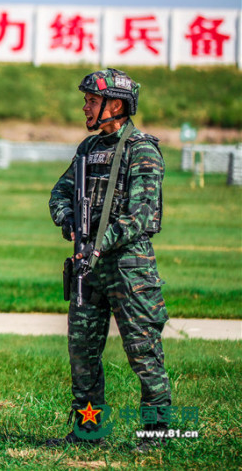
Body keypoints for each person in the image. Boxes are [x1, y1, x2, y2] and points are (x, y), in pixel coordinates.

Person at [46, 68, 171, 451]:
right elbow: (59, 193)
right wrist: (69, 222)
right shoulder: (87, 149)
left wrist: (100, 243)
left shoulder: (141, 150)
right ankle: (89, 430)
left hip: (129, 268)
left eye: (92, 100)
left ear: (115, 105)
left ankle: (157, 432)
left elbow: (142, 216)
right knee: (82, 352)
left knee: (143, 352)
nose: (84, 106)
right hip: (89, 266)